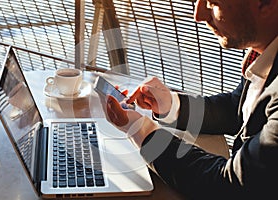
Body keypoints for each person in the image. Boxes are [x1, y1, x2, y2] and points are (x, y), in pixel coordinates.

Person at [100, 0, 278, 199]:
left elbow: (229, 185)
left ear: (266, 3)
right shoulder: (264, 53)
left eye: (212, 3)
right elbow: (237, 107)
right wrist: (171, 106)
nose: (198, 15)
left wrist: (141, 131)